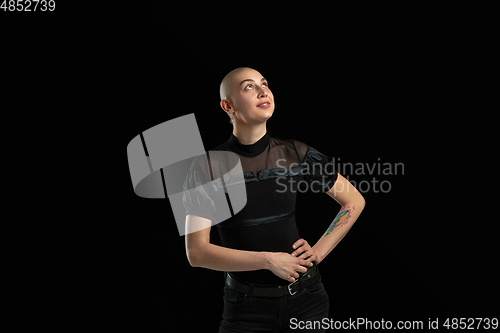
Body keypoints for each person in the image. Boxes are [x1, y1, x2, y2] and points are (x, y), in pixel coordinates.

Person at [183, 67, 365, 332]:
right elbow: (197, 253)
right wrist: (268, 260)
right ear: (227, 106)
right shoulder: (208, 167)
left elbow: (354, 201)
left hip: (308, 303)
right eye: (249, 87)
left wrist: (319, 251)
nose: (263, 90)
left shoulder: (296, 153)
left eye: (264, 83)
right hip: (246, 310)